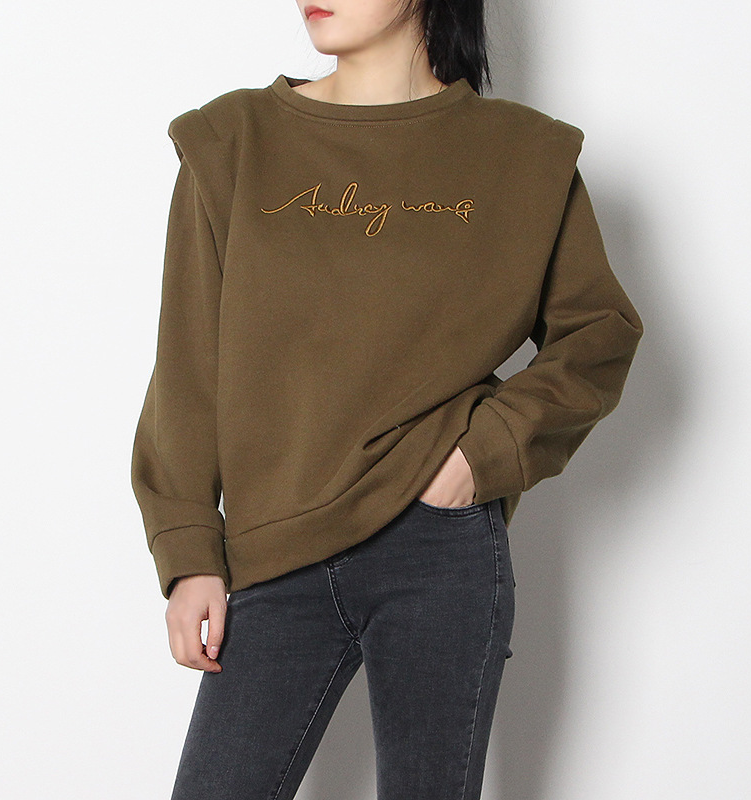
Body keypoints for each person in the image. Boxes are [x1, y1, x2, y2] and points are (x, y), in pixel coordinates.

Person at [130, 1, 644, 797]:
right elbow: (188, 365)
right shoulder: (232, 141)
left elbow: (599, 333)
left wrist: (482, 455)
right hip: (275, 547)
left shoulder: (522, 154)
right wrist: (189, 550)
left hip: (437, 550)